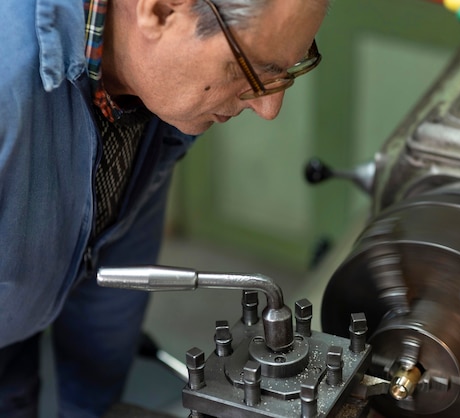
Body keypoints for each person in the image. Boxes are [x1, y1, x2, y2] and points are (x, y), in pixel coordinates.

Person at [0, 0, 327, 416]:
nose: (268, 109)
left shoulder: (159, 89)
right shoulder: (7, 89)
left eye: (287, 69)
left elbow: (115, 266)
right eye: (253, 71)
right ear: (158, 11)